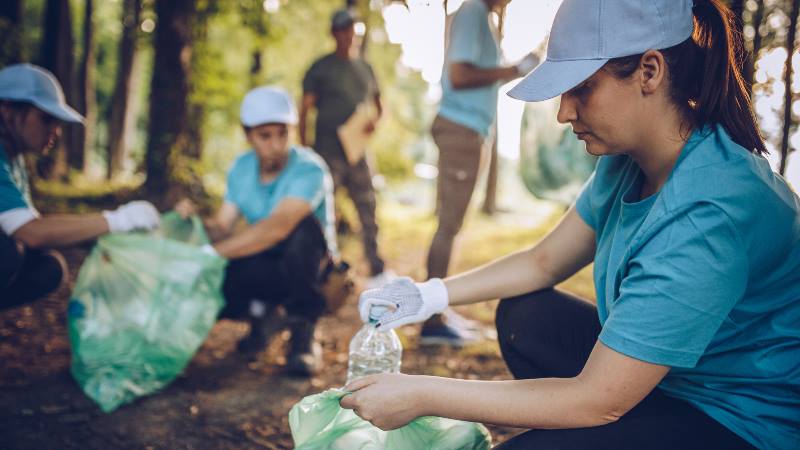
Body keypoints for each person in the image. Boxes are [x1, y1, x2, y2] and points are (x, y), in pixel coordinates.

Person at [343, 0, 800, 448]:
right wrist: (427, 295)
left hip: (740, 418)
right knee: (526, 314)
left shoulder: (710, 209)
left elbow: (596, 400)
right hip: (673, 380)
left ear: (650, 71)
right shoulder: (627, 161)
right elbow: (542, 262)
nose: (564, 112)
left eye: (581, 87)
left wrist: (423, 394)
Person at [176, 86, 338, 377]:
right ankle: (262, 317)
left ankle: (303, 334)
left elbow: (279, 227)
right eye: (265, 136)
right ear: (248, 135)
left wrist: (209, 254)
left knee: (301, 228)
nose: (276, 144)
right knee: (224, 269)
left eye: (283, 133)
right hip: (268, 261)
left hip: (313, 267)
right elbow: (222, 227)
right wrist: (194, 222)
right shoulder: (242, 167)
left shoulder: (309, 168)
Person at [421, 0, 538, 346]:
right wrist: (514, 70)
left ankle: (437, 310)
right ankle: (431, 320)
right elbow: (460, 75)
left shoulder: (481, 16)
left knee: (452, 225)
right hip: (461, 129)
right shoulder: (473, 11)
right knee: (448, 225)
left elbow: (475, 77)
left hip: (469, 130)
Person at [0, 63, 160, 310]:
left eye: (58, 122)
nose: (56, 131)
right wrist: (117, 220)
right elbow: (30, 233)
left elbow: (34, 223)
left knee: (47, 268)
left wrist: (105, 235)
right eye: (46, 119)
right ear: (7, 109)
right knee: (8, 252)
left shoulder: (14, 158)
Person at [299, 9, 393, 289]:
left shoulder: (365, 68)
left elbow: (379, 105)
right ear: (334, 33)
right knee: (320, 210)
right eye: (342, 30)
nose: (348, 35)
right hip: (326, 151)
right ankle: (315, 270)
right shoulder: (321, 68)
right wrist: (304, 151)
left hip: (357, 152)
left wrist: (374, 122)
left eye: (352, 29)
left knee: (368, 207)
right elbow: (304, 111)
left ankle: (376, 269)